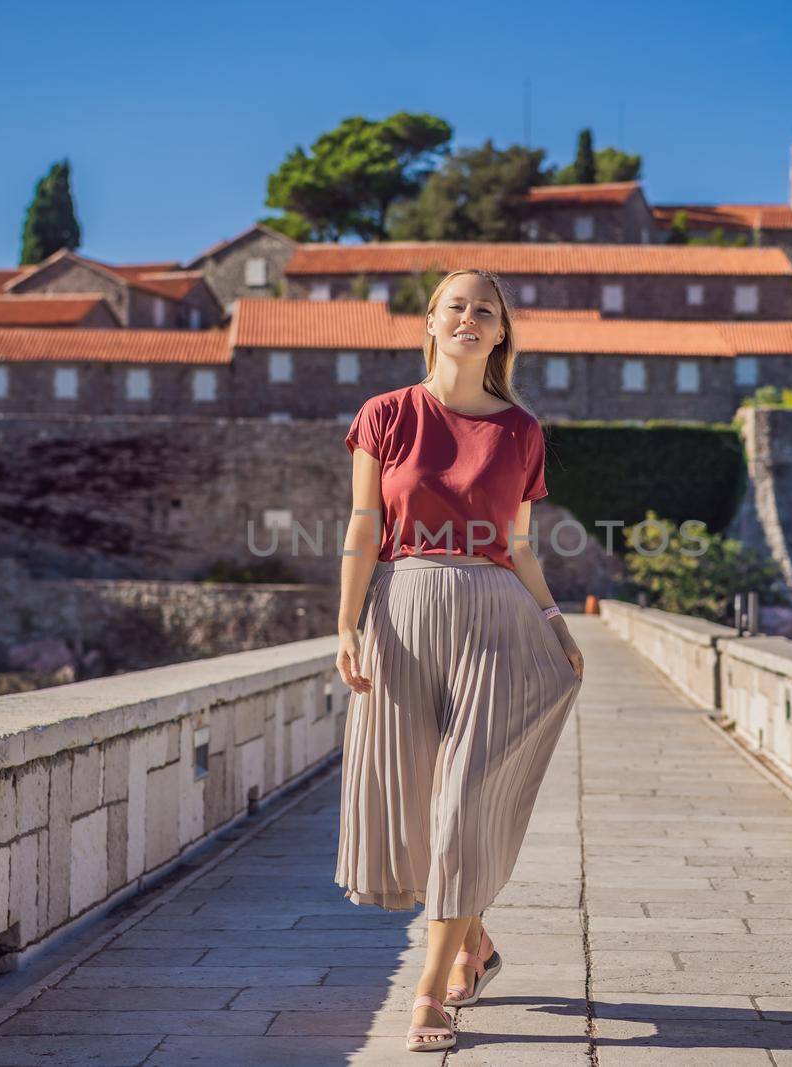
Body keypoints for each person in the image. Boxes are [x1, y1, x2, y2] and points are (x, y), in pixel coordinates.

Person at [333, 269, 586, 1052]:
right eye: (457, 306)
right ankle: (473, 942)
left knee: (462, 805)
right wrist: (346, 622)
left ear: (503, 332)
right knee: (415, 811)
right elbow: (364, 522)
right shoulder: (385, 414)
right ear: (431, 322)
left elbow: (518, 545)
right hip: (403, 613)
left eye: (487, 309)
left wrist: (554, 619)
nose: (471, 317)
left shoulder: (522, 430)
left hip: (496, 620)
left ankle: (428, 994)